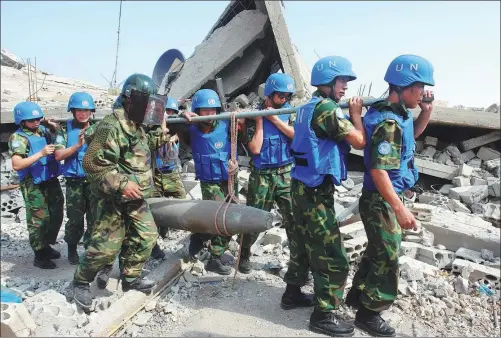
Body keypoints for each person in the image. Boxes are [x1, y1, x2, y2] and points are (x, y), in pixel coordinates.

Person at [344, 54, 434, 337]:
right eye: (419, 87)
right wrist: (400, 209)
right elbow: (379, 171)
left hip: (387, 197)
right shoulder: (387, 122)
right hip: (382, 199)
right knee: (389, 255)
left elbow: (411, 139)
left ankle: (358, 296)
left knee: (377, 250)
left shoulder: (401, 115)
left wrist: (427, 111)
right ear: (405, 85)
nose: (422, 93)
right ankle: (369, 314)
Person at [72, 73, 172, 310]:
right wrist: (123, 184)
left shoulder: (137, 126)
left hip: (137, 198)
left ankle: (130, 277)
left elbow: (144, 148)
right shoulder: (111, 126)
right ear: (130, 100)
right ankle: (80, 282)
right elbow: (92, 164)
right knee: (105, 249)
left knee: (146, 236)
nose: (149, 108)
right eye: (145, 102)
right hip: (114, 199)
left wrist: (169, 128)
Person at [282, 56, 366, 336]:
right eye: (342, 81)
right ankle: (323, 315)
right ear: (328, 82)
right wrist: (356, 116)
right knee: (332, 255)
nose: (345, 87)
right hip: (316, 192)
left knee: (305, 243)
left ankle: (292, 293)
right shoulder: (328, 109)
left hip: (301, 186)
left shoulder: (307, 106)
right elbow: (359, 141)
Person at [177, 89, 243, 275]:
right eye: (204, 110)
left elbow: (247, 128)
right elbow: (167, 119)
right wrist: (183, 113)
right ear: (197, 110)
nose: (209, 114)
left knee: (230, 215)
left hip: (229, 178)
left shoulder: (226, 124)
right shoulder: (190, 128)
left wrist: (239, 119)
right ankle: (214, 257)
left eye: (213, 110)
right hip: (209, 182)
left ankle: (200, 237)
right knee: (223, 219)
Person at [238, 73, 297, 276]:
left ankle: (297, 262)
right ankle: (244, 253)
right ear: (270, 94)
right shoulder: (254, 116)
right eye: (280, 96)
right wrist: (262, 121)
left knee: (293, 218)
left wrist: (275, 119)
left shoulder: (289, 111)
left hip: (286, 172)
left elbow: (296, 137)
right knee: (255, 217)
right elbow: (255, 148)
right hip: (262, 174)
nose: (284, 100)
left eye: (287, 96)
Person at [8, 101, 64, 269]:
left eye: (37, 118)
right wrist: (41, 153)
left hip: (49, 177)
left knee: (56, 212)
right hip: (32, 182)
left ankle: (46, 244)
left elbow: (58, 133)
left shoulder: (42, 131)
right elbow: (17, 164)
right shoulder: (18, 138)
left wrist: (51, 125)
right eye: (31, 120)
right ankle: (40, 255)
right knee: (38, 218)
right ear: (21, 121)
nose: (35, 122)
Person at [54, 92, 97, 265]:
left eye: (86, 110)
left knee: (94, 218)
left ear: (91, 111)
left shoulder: (98, 128)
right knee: (75, 219)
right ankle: (72, 249)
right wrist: (77, 146)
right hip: (74, 182)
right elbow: (58, 155)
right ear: (72, 111)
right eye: (79, 110)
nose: (83, 114)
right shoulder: (64, 131)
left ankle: (90, 251)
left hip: (94, 181)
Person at [150, 96, 187, 260]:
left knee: (181, 200)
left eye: (171, 112)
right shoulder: (154, 131)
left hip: (171, 172)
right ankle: (154, 245)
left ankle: (168, 227)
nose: (168, 115)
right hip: (156, 174)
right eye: (166, 111)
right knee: (155, 207)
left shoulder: (177, 132)